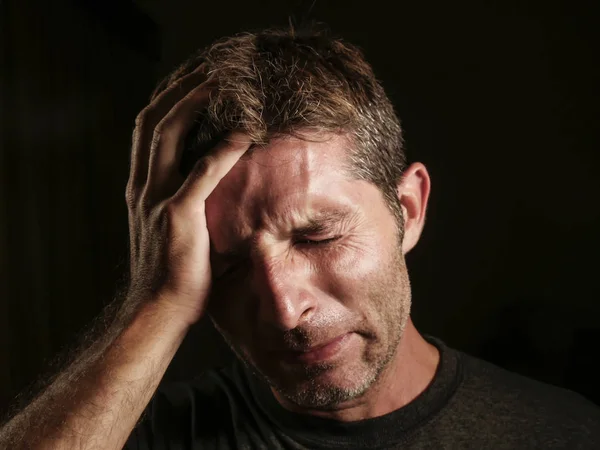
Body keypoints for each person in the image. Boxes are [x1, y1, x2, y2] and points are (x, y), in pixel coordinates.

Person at [1, 26, 599, 450]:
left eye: (317, 237)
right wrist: (156, 302)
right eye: (228, 266)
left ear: (409, 209)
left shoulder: (567, 433)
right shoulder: (144, 432)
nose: (285, 310)